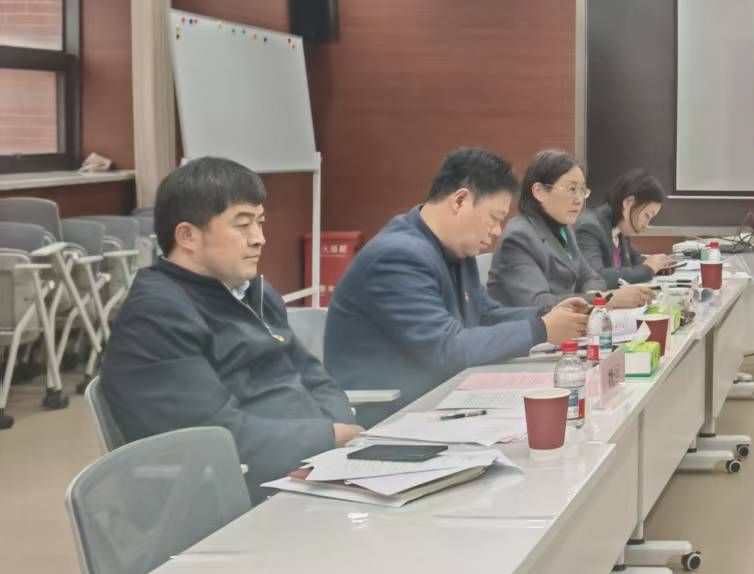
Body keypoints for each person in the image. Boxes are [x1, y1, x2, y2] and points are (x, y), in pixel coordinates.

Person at [100, 157, 359, 492]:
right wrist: (329, 437)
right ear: (188, 236)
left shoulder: (253, 294)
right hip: (241, 489)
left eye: (260, 223)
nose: (259, 238)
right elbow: (213, 436)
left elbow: (313, 377)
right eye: (243, 224)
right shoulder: (157, 316)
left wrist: (342, 431)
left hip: (312, 464)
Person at [326, 148, 588, 408]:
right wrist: (541, 330)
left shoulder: (455, 249)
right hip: (391, 411)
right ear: (460, 201)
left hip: (439, 395)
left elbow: (484, 315)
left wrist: (548, 315)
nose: (497, 231)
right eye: (494, 218)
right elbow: (447, 349)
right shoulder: (396, 257)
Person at [488, 150, 655, 310]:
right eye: (572, 189)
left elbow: (591, 277)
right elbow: (538, 303)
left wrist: (594, 296)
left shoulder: (564, 229)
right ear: (539, 192)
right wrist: (604, 300)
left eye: (582, 191)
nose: (579, 200)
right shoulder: (519, 236)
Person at [576, 168, 672, 287]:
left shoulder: (620, 227)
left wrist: (659, 265)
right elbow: (596, 276)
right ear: (628, 202)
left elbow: (634, 260)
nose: (646, 224)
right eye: (647, 216)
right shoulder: (589, 227)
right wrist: (648, 270)